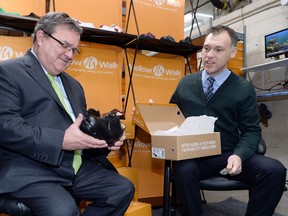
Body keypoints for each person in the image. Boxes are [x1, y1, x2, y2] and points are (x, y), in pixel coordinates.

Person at [0, 12, 134, 216]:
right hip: (31, 169)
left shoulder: (74, 85)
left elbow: (79, 137)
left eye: (74, 49)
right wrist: (60, 141)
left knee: (122, 190)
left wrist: (106, 140)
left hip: (73, 167)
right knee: (64, 211)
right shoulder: (9, 71)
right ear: (41, 37)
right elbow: (6, 127)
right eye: (64, 45)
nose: (70, 55)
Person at [169, 25, 287, 216]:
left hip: (229, 155)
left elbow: (251, 131)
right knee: (183, 171)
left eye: (218, 49)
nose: (209, 55)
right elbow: (171, 119)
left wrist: (239, 155)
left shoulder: (243, 88)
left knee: (275, 170)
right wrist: (152, 114)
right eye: (206, 48)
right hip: (195, 157)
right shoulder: (186, 84)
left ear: (232, 52)